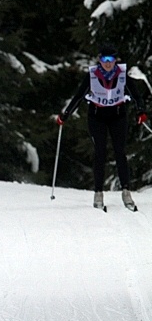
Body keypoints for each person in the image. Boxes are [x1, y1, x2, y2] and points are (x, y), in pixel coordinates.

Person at [56, 44, 147, 210]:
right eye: (104, 59)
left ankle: (126, 191)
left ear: (115, 60)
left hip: (118, 116)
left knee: (120, 152)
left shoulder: (121, 73)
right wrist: (66, 114)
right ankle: (98, 193)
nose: (107, 63)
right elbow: (78, 96)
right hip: (97, 117)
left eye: (111, 59)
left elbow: (136, 94)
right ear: (99, 60)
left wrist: (141, 111)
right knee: (100, 151)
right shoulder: (92, 75)